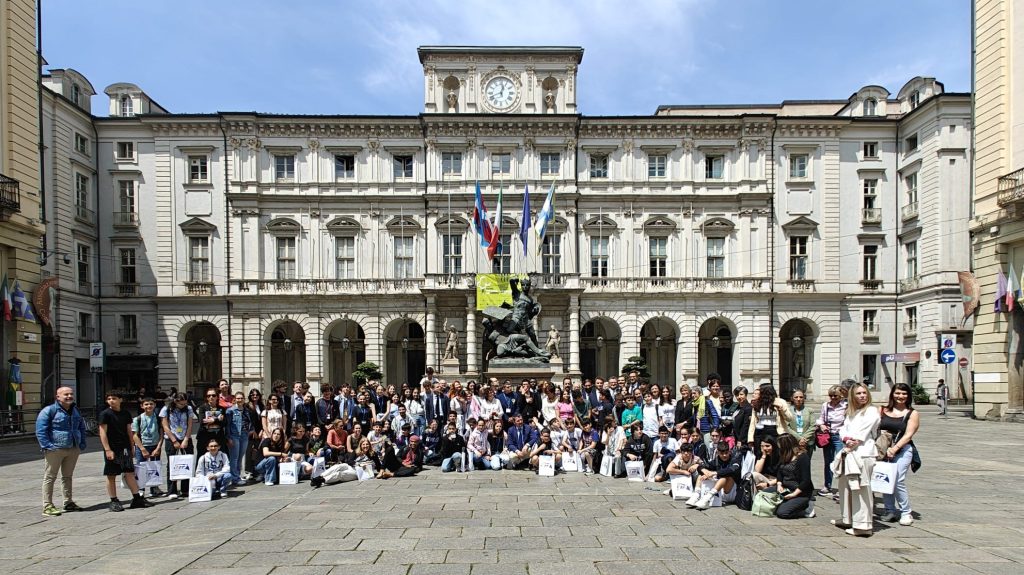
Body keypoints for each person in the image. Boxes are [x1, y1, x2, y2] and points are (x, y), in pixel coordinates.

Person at [832, 383, 880, 537]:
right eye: (859, 393)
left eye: (864, 393)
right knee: (845, 487)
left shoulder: (871, 411)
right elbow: (843, 429)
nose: (862, 396)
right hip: (848, 452)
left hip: (864, 453)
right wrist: (846, 439)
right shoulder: (851, 412)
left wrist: (854, 441)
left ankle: (863, 525)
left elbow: (865, 430)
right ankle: (848, 518)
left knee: (861, 488)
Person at [36, 386, 87, 516]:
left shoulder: (75, 410)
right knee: (50, 477)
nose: (69, 396)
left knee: (67, 476)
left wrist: (82, 442)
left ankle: (68, 502)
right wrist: (48, 446)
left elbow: (81, 427)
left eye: (71, 394)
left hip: (73, 447)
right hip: (55, 448)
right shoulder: (49, 410)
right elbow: (41, 430)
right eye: (66, 394)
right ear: (58, 397)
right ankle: (47, 506)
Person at [98, 393, 152, 512]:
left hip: (125, 447)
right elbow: (102, 433)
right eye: (109, 399)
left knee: (129, 472)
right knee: (111, 474)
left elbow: (129, 431)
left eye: (114, 398)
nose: (111, 401)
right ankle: (113, 500)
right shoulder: (105, 414)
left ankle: (136, 498)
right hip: (112, 447)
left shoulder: (125, 413)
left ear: (120, 400)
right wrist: (107, 449)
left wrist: (132, 447)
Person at [879, 382, 920, 526]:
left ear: (908, 396)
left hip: (903, 449)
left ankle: (906, 512)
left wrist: (894, 449)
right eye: (897, 393)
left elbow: (908, 435)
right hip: (883, 449)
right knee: (885, 479)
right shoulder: (882, 410)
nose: (900, 396)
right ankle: (889, 510)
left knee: (897, 480)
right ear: (892, 394)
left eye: (904, 393)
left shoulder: (912, 413)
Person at [688, 440, 743, 509]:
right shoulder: (716, 461)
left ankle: (706, 498)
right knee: (701, 475)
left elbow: (732, 469)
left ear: (729, 451)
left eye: (726, 453)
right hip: (719, 492)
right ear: (718, 452)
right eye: (722, 453)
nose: (724, 455)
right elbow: (701, 466)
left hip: (732, 492)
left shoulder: (735, 458)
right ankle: (696, 495)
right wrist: (705, 472)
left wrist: (714, 473)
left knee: (725, 477)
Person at [160, 392, 195, 499]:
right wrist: (174, 440)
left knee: (187, 462)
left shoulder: (188, 409)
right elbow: (165, 426)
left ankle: (185, 489)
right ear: (175, 401)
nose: (183, 406)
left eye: (185, 403)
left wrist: (186, 439)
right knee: (172, 463)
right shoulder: (166, 409)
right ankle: (172, 490)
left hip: (185, 437)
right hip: (171, 438)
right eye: (181, 404)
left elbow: (190, 425)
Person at [815, 385, 847, 497]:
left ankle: (841, 488)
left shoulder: (845, 406)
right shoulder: (826, 405)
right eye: (831, 396)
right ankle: (827, 486)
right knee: (828, 462)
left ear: (841, 396)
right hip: (828, 436)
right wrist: (821, 425)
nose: (833, 398)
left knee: (840, 461)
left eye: (835, 396)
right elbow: (821, 419)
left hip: (840, 437)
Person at [772, 434, 815, 519]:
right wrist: (779, 484)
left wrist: (794, 494)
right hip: (785, 488)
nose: (778, 448)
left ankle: (806, 508)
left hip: (800, 492)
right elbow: (779, 472)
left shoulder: (802, 457)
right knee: (764, 495)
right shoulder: (784, 455)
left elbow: (806, 480)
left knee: (782, 513)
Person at [131, 397, 165, 498]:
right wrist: (142, 449)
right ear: (142, 406)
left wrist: (158, 447)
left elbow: (161, 433)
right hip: (142, 446)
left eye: (151, 404)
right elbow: (135, 436)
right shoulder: (137, 419)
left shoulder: (158, 418)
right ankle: (141, 489)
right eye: (146, 404)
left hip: (155, 445)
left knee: (155, 467)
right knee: (141, 468)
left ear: (154, 405)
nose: (149, 406)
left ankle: (154, 488)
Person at [225, 392, 250, 485]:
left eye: (241, 398)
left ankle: (237, 476)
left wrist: (250, 430)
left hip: (244, 435)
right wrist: (228, 437)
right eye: (238, 398)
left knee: (240, 457)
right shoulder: (230, 411)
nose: (240, 400)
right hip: (234, 435)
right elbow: (227, 425)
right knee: (234, 458)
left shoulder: (246, 410)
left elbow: (249, 421)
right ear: (235, 399)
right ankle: (234, 478)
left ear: (244, 399)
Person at [196, 388, 226, 461]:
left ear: (217, 397)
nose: (211, 397)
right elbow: (202, 421)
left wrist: (213, 420)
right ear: (206, 397)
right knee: (202, 458)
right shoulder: (202, 408)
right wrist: (218, 419)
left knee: (220, 457)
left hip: (218, 436)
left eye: (213, 395)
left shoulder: (221, 409)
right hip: (204, 436)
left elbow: (224, 423)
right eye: (208, 396)